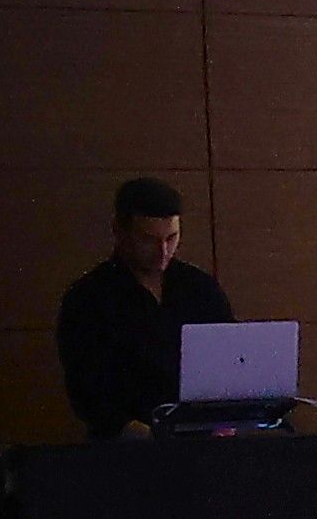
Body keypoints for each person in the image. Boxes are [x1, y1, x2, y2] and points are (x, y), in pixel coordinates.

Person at [56, 178, 235, 439]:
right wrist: (143, 435)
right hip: (125, 448)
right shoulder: (88, 298)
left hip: (203, 441)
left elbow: (229, 360)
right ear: (119, 231)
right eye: (148, 240)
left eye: (171, 238)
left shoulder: (200, 288)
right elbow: (87, 391)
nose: (163, 251)